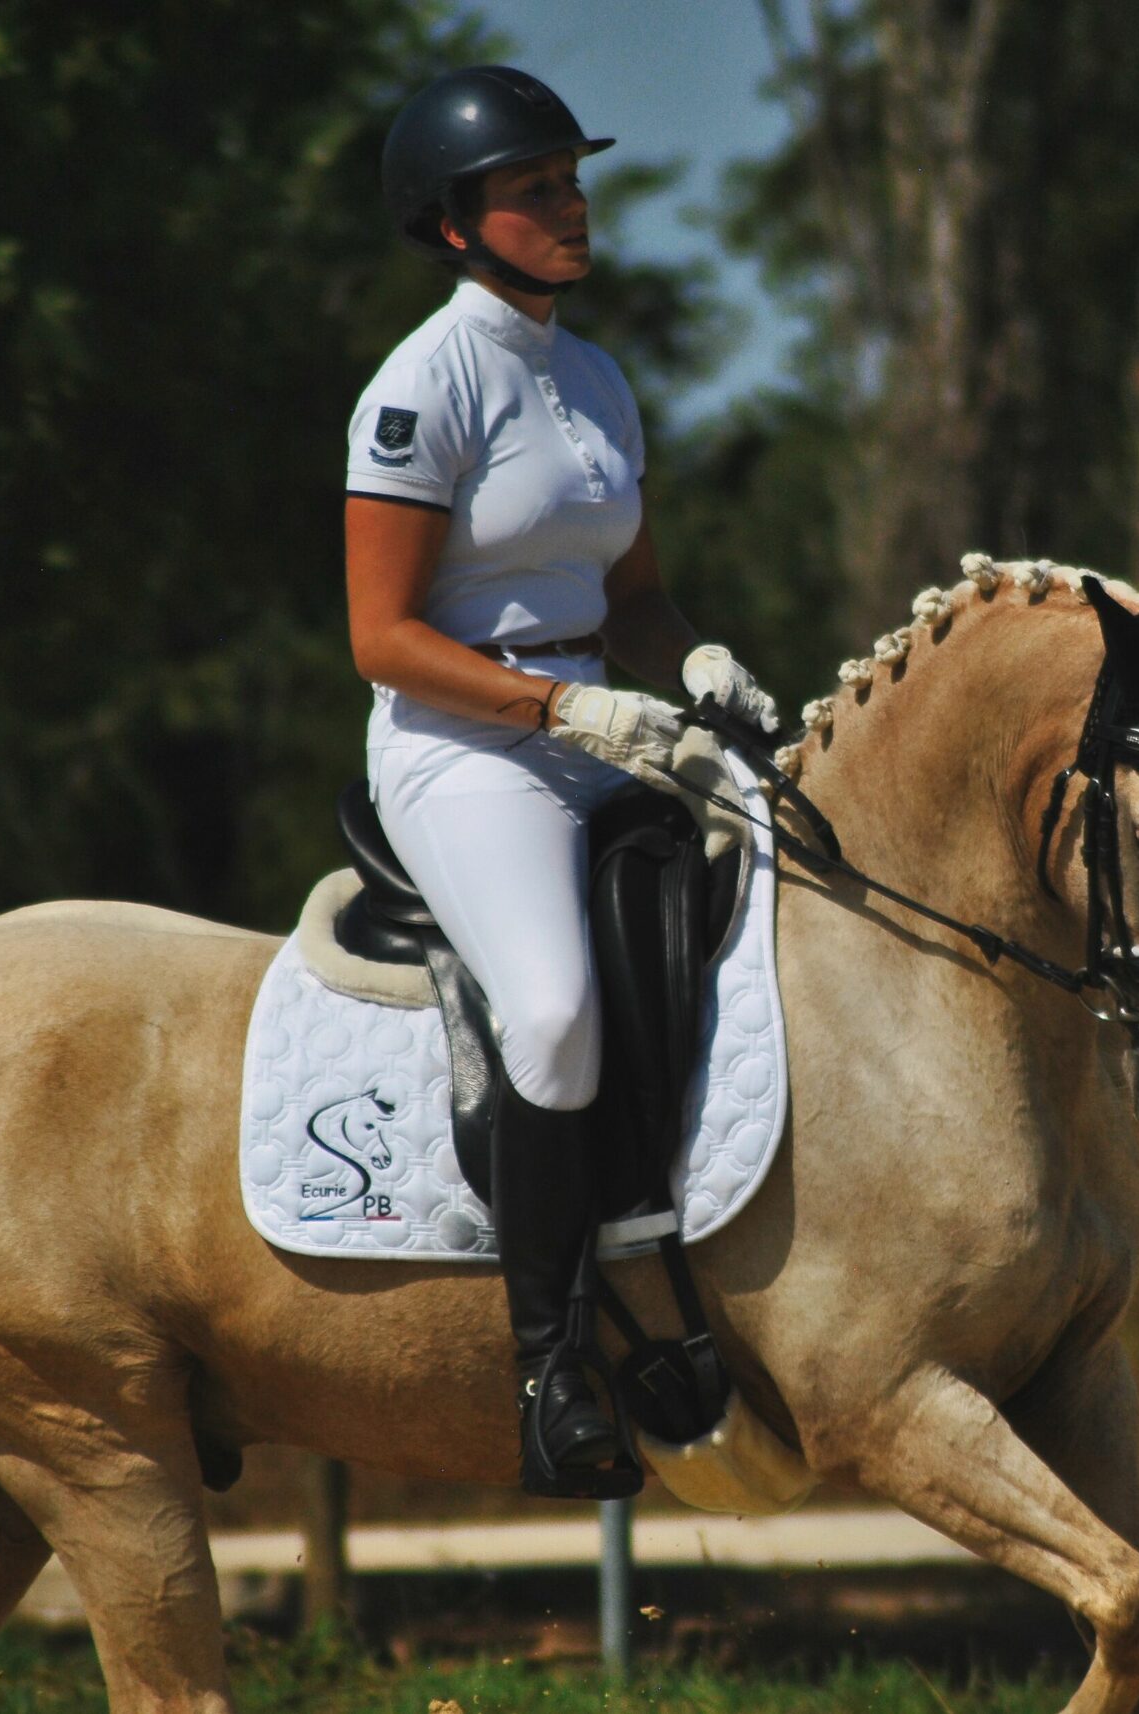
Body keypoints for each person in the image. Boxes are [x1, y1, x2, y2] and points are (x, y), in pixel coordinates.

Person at [344, 66, 779, 1497]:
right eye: (534, 190)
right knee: (553, 1007)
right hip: (466, 746)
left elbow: (635, 592)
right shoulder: (424, 384)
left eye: (571, 181)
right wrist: (564, 703)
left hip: (602, 721)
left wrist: (696, 661)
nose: (569, 204)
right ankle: (552, 1361)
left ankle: (692, 1277)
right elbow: (384, 637)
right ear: (459, 225)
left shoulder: (593, 378)